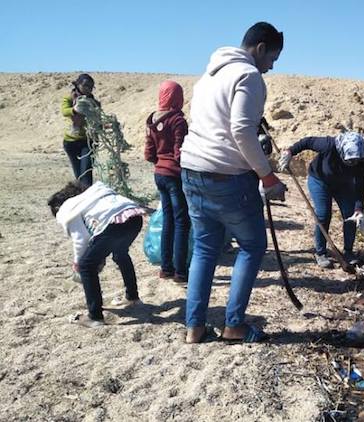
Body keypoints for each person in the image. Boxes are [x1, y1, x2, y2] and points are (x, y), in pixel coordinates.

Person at [180, 22, 287, 344]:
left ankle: (194, 327)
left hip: (191, 168)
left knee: (204, 249)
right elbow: (241, 131)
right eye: (273, 58)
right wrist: (267, 176)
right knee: (253, 246)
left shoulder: (209, 75)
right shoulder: (248, 76)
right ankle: (233, 325)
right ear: (260, 48)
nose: (271, 66)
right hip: (227, 175)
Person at [48, 181, 145, 328]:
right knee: (120, 254)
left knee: (86, 267)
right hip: (134, 218)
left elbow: (81, 240)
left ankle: (95, 317)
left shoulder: (70, 208)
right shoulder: (95, 194)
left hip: (114, 225)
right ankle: (132, 297)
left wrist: (77, 263)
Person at [278, 131, 364, 268]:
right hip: (319, 181)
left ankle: (348, 252)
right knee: (323, 214)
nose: (353, 163)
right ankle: (320, 252)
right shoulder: (328, 145)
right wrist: (289, 152)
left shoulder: (361, 162)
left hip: (343, 185)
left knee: (351, 215)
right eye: (350, 160)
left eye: (355, 161)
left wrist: (359, 209)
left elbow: (361, 187)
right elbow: (307, 142)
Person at [144, 80, 190, 283]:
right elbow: (180, 152)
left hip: (159, 175)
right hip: (175, 176)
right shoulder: (177, 120)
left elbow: (149, 153)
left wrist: (161, 163)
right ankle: (181, 272)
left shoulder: (152, 120)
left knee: (168, 221)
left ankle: (166, 268)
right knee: (182, 222)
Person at [61, 73, 100, 186]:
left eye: (91, 87)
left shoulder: (94, 102)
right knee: (79, 174)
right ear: (78, 85)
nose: (88, 89)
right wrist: (75, 110)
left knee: (86, 171)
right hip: (71, 141)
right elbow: (65, 111)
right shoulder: (68, 99)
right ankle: (82, 196)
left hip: (88, 141)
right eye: (86, 85)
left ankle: (88, 195)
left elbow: (98, 119)